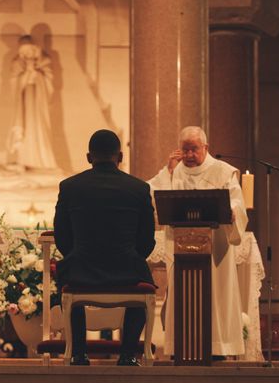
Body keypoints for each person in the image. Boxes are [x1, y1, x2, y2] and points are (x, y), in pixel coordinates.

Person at [53, 130, 156, 366]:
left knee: (66, 273)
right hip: (127, 269)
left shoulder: (69, 187)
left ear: (89, 157)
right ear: (120, 156)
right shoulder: (138, 189)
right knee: (144, 276)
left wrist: (77, 255)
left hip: (82, 269)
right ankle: (128, 354)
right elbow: (147, 240)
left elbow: (62, 236)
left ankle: (78, 353)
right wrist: (131, 256)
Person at [148, 126, 247, 358]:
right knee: (183, 296)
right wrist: (169, 173)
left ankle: (217, 347)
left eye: (194, 149)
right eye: (185, 150)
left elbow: (236, 200)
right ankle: (180, 346)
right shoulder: (174, 171)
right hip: (181, 248)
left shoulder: (223, 171)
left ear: (206, 148)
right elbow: (152, 194)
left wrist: (232, 210)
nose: (189, 155)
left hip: (216, 250)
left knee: (216, 296)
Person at [7, 35, 56, 169]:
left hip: (38, 101)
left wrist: (35, 73)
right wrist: (26, 75)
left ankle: (42, 160)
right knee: (25, 127)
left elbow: (49, 81)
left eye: (29, 50)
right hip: (23, 102)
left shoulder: (44, 61)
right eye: (24, 51)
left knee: (39, 127)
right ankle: (24, 160)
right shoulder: (17, 64)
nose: (27, 54)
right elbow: (14, 82)